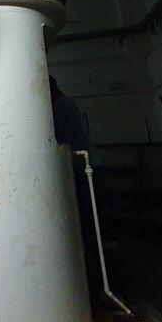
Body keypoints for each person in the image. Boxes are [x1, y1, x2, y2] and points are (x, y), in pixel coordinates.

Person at [49, 75, 103, 307]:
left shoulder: (61, 108)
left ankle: (89, 291)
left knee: (82, 231)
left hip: (82, 173)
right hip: (85, 170)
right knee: (85, 230)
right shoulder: (65, 104)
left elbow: (55, 141)